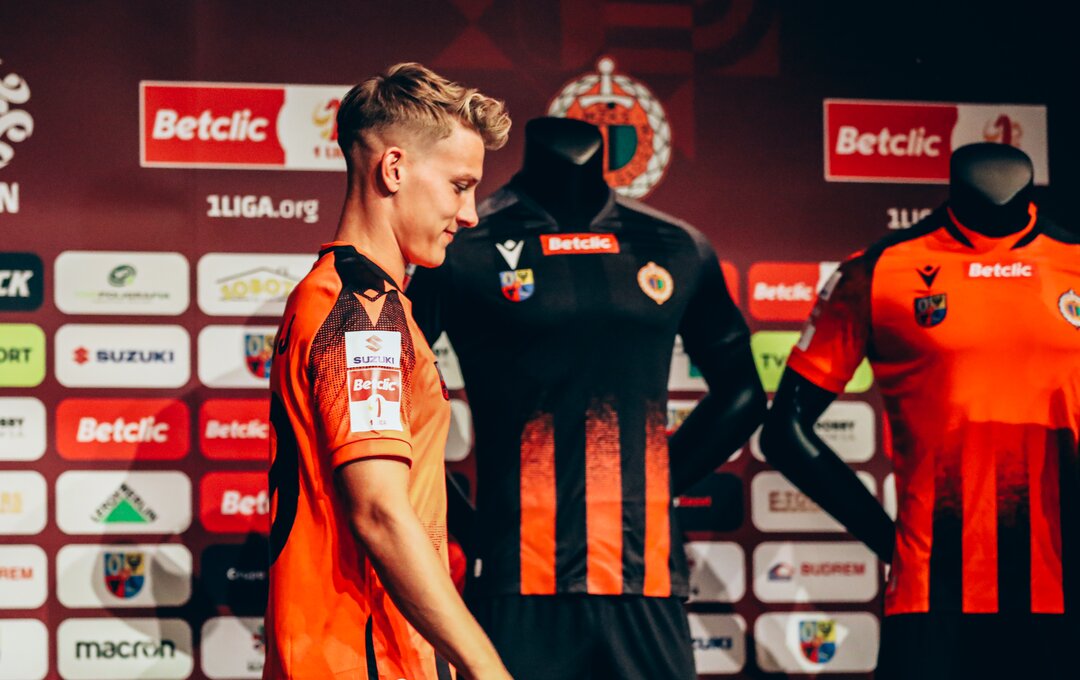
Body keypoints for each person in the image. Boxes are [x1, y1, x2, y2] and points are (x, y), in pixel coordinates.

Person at [408, 116, 766, 679]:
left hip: (642, 576)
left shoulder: (675, 245)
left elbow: (743, 393)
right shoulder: (466, 245)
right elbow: (392, 399)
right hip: (515, 576)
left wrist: (654, 480)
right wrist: (464, 521)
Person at [760, 142, 1080, 679]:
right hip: (933, 594)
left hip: (1066, 587)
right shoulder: (878, 270)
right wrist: (889, 541)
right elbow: (785, 431)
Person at [264, 62, 513, 680]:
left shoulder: (346, 297)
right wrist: (489, 669)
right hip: (361, 659)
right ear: (394, 169)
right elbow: (380, 513)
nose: (471, 213)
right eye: (459, 186)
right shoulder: (363, 311)